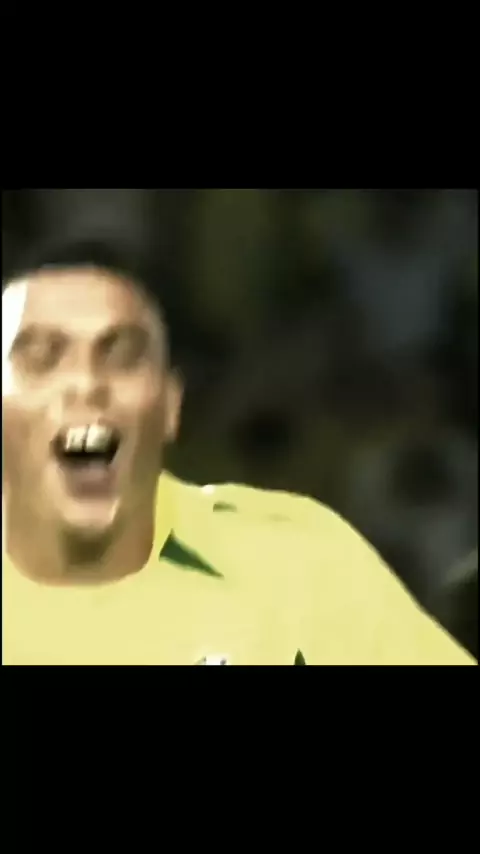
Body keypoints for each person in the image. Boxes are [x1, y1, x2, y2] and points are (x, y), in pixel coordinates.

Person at [2, 239, 475, 666]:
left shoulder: (302, 561)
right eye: (42, 358)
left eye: (121, 356)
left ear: (170, 404)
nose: (85, 384)